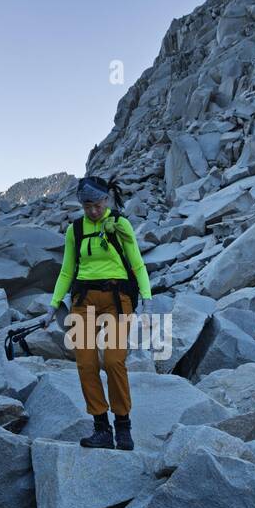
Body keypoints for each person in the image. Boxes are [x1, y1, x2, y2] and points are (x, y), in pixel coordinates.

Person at [49, 175, 152, 450]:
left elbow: (138, 264)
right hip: (83, 301)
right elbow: (67, 270)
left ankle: (123, 425)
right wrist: (55, 302)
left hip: (118, 301)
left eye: (97, 204)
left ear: (106, 199)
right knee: (86, 363)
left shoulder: (120, 224)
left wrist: (147, 298)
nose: (93, 210)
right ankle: (101, 428)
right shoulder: (76, 230)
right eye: (87, 206)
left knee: (114, 361)